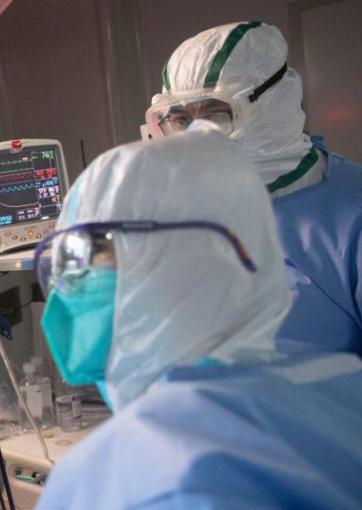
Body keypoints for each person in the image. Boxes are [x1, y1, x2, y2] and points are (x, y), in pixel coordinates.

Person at [0, 126, 362, 510]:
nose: (62, 296)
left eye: (79, 263)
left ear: (167, 267)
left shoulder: (110, 487)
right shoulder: (339, 396)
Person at [146, 21, 362, 355]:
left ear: (274, 102)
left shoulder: (350, 218)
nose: (196, 139)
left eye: (216, 114)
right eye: (180, 120)